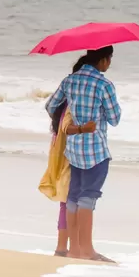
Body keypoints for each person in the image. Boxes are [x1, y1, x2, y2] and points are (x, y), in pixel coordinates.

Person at [45, 46, 121, 262]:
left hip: (74, 149)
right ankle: (87, 250)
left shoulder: (70, 80)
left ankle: (75, 250)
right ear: (104, 60)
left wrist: (73, 120)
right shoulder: (104, 84)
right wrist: (99, 114)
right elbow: (115, 119)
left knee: (73, 197)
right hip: (95, 150)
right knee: (88, 197)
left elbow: (51, 106)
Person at [38, 63, 95, 257]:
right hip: (69, 153)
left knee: (67, 199)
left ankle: (65, 247)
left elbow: (49, 106)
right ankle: (67, 248)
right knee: (71, 199)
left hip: (58, 150)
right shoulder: (73, 105)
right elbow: (69, 127)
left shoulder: (62, 103)